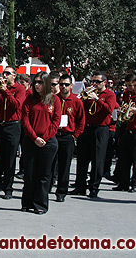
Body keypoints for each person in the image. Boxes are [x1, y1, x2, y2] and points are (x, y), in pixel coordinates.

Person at [71, 72, 118, 198]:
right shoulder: (88, 93)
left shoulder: (110, 95)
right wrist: (81, 97)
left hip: (100, 129)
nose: (94, 84)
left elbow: (109, 110)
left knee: (97, 159)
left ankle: (93, 187)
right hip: (86, 128)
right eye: (92, 81)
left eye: (97, 82)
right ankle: (80, 186)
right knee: (82, 158)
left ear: (104, 83)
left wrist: (96, 99)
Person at [20, 72, 61, 214]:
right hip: (31, 141)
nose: (37, 85)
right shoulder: (29, 100)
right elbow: (25, 120)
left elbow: (56, 121)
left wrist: (44, 137)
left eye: (40, 82)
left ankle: (40, 204)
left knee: (44, 175)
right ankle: (27, 203)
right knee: (30, 174)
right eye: (35, 82)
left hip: (48, 142)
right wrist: (35, 138)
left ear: (46, 84)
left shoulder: (54, 100)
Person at [0, 66, 26, 200]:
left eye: (8, 73)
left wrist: (6, 91)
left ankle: (8, 187)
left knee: (10, 158)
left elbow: (17, 106)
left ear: (14, 76)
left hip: (12, 126)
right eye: (4, 73)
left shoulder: (19, 89)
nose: (5, 75)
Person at [53, 73, 84, 202]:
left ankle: (61, 191)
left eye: (66, 84)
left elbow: (81, 121)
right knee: (50, 164)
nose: (64, 87)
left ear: (71, 85)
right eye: (61, 84)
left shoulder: (76, 101)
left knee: (65, 166)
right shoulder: (54, 99)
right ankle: (47, 186)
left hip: (67, 136)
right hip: (54, 135)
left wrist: (74, 136)